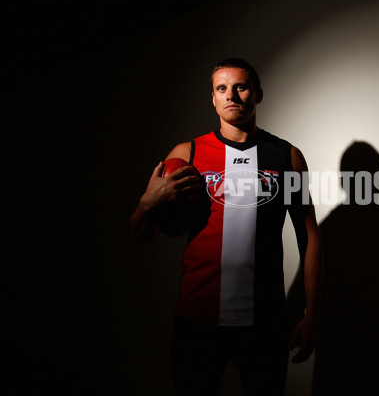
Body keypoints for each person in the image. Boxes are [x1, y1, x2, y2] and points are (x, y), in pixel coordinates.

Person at [129, 58, 323, 395]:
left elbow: (309, 237)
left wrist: (312, 314)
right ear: (214, 99)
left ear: (258, 94)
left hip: (264, 322)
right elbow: (140, 234)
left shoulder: (286, 156)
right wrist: (148, 204)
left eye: (241, 87)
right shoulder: (186, 153)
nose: (231, 95)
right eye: (222, 88)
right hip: (197, 319)